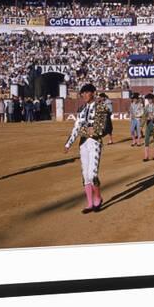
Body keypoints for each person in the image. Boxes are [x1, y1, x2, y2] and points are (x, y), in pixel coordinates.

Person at [64, 84, 109, 213]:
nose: (84, 95)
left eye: (86, 92)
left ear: (93, 93)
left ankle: (98, 198)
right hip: (83, 143)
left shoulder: (101, 107)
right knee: (85, 175)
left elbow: (101, 129)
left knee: (93, 174)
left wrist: (87, 130)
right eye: (82, 93)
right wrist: (68, 144)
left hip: (95, 142)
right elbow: (76, 127)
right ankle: (90, 203)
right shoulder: (82, 109)